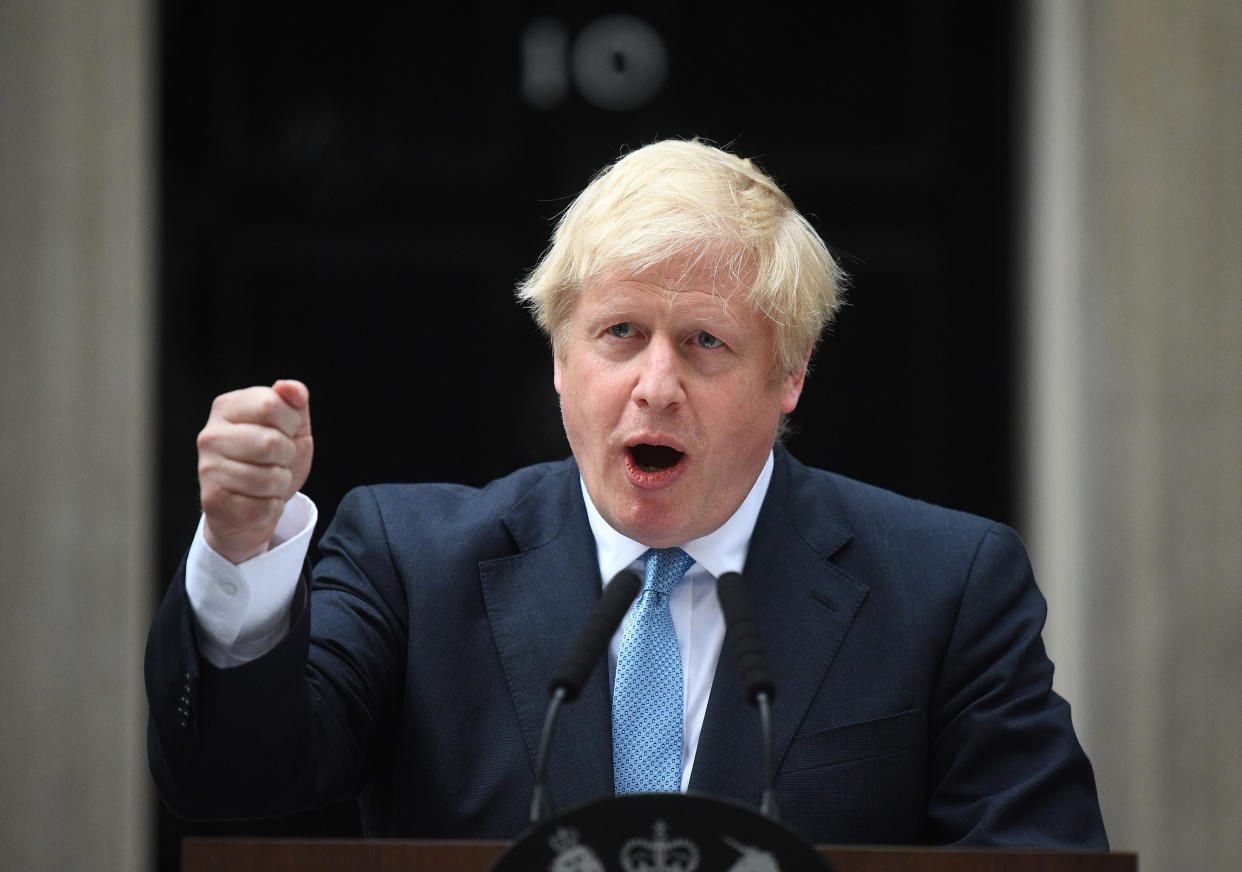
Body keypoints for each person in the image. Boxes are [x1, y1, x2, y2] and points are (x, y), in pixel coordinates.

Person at [146, 139, 1108, 847]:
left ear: (791, 374)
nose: (654, 385)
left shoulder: (946, 586)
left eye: (705, 342)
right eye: (618, 334)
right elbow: (230, 782)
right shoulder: (413, 561)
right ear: (560, 360)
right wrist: (239, 552)